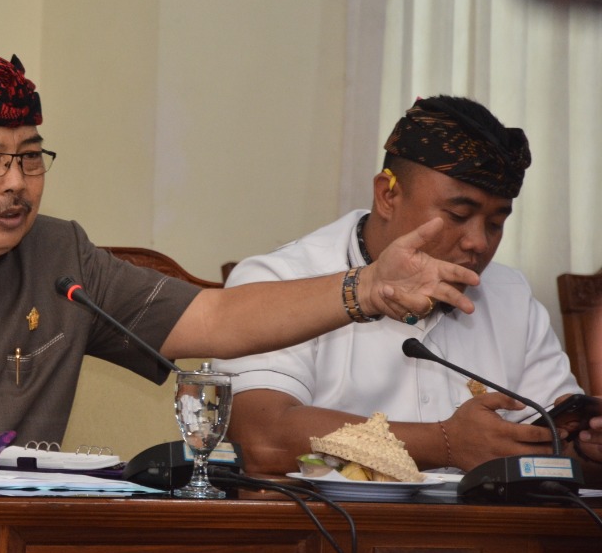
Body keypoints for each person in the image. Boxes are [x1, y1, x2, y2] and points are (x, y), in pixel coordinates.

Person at [0, 49, 478, 472]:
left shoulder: (62, 252)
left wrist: (366, 288)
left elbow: (212, 317)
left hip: (22, 550)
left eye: (30, 157)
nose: (17, 183)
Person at [215, 96, 602, 482]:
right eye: (459, 215)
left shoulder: (509, 293)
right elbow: (261, 439)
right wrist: (444, 444)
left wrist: (584, 448)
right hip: (333, 535)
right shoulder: (281, 280)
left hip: (487, 535)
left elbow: (552, 441)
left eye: (496, 223)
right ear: (388, 195)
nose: (478, 243)